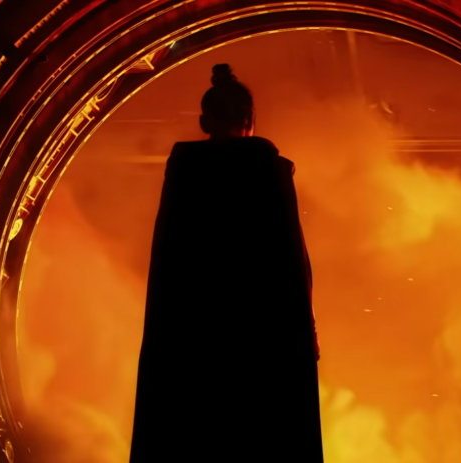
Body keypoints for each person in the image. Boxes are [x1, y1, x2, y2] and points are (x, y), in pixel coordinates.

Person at [129, 64, 323, 462]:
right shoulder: (269, 171)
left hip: (191, 342)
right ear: (250, 119)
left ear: (205, 122)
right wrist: (306, 331)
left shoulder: (185, 172)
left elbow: (169, 268)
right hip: (264, 343)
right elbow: (291, 261)